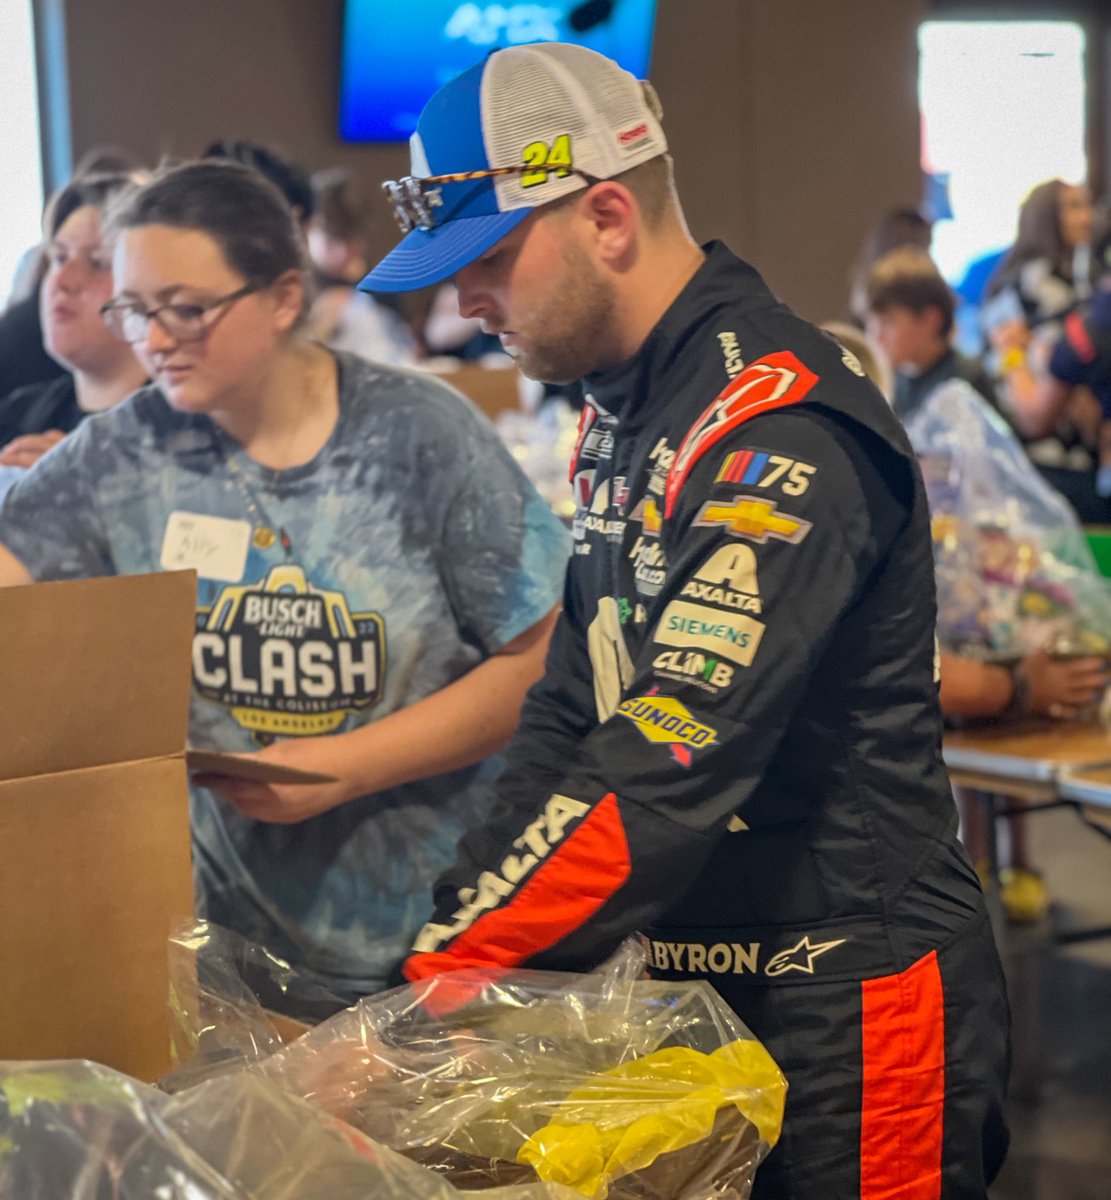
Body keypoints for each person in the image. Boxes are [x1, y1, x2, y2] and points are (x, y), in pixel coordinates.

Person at [361, 42, 1010, 1198]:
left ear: (607, 216)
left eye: (493, 257)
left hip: (850, 1002)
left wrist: (453, 975)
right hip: (694, 988)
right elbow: (574, 695)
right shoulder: (626, 407)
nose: (461, 301)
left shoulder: (778, 421)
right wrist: (452, 944)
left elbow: (666, 750)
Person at [0, 160, 569, 1006]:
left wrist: (346, 767)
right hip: (221, 959)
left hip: (434, 946)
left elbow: (540, 662)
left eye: (187, 309)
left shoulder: (415, 434)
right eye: (133, 310)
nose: (154, 340)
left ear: (282, 297)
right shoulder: (121, 453)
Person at [0, 173, 147, 473]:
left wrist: (74, 489)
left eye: (97, 263)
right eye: (58, 257)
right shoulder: (18, 415)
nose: (63, 281)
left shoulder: (183, 428)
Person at [864, 246, 1002, 422]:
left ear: (931, 320)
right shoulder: (895, 383)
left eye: (887, 323)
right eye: (871, 324)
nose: (876, 336)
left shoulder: (964, 380)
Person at [305, 168, 417, 365]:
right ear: (309, 230)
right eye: (332, 241)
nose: (342, 253)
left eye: (350, 242)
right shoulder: (295, 285)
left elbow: (404, 344)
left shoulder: (379, 284)